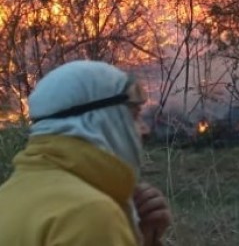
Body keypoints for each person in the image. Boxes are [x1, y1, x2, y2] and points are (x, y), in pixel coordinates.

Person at [0, 60, 172, 246]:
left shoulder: (8, 196)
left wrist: (137, 238)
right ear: (102, 120)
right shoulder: (91, 214)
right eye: (135, 116)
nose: (145, 130)